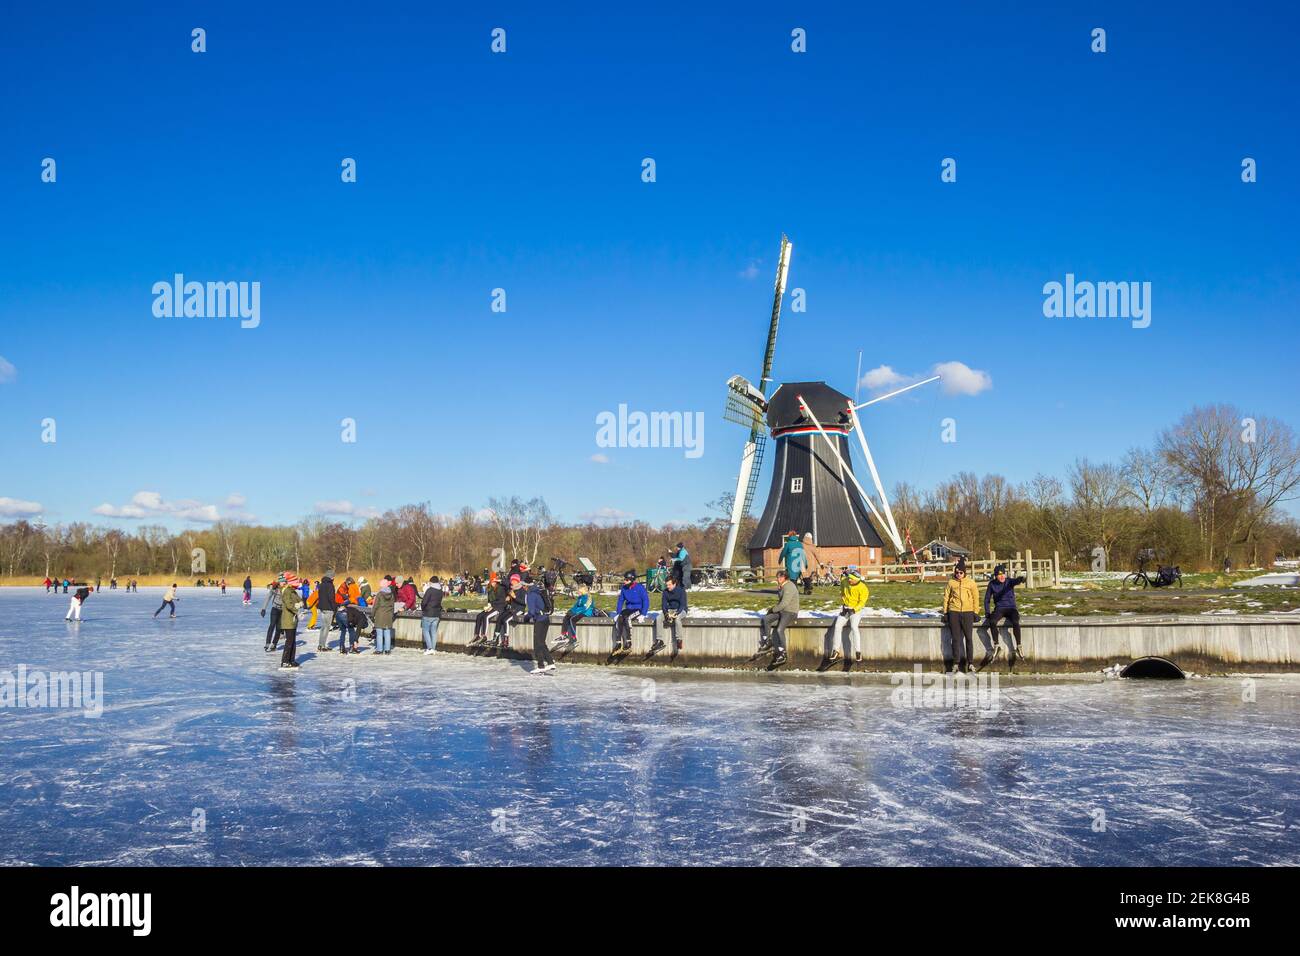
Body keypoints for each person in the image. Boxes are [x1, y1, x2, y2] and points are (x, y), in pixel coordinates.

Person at [982, 564, 1026, 671]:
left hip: (1011, 608)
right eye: (999, 575)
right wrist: (987, 612)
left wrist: (1021, 579)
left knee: (1016, 621)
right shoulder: (992, 584)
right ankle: (997, 646)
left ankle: (1019, 646)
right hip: (1000, 609)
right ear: (996, 576)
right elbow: (987, 599)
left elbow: (1016, 581)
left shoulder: (1009, 581)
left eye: (1003, 575)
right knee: (992, 621)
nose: (1002, 577)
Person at [942, 559, 979, 673]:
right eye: (956, 573)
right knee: (956, 639)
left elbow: (975, 597)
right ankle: (956, 664)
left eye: (961, 573)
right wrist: (946, 612)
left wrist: (975, 612)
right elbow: (946, 597)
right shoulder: (951, 582)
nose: (958, 575)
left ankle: (970, 663)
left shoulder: (971, 582)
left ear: (965, 573)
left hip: (967, 612)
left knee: (968, 638)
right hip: (954, 612)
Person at [827, 566, 869, 664]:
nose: (849, 580)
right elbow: (842, 591)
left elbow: (862, 602)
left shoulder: (863, 588)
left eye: (851, 579)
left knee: (854, 627)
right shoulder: (845, 581)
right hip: (846, 608)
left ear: (857, 580)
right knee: (837, 626)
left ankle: (858, 652)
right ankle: (836, 650)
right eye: (849, 578)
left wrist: (854, 609)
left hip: (855, 610)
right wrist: (844, 605)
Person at [758, 570, 798, 667]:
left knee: (780, 629)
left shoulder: (789, 586)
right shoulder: (782, 586)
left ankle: (783, 653)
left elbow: (784, 603)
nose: (778, 579)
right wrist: (772, 611)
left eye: (780, 577)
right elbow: (781, 602)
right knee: (766, 619)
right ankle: (768, 642)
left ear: (785, 578)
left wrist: (773, 609)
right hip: (782, 611)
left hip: (790, 612)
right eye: (777, 577)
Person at [612, 570, 649, 654]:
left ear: (632, 580)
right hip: (629, 608)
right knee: (621, 617)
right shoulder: (624, 588)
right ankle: (618, 643)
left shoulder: (640, 588)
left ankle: (628, 642)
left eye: (626, 580)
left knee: (627, 618)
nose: (624, 581)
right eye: (624, 579)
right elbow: (620, 601)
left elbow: (645, 600)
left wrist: (643, 614)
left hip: (638, 609)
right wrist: (618, 613)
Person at [651, 574, 688, 656]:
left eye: (669, 585)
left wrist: (677, 613)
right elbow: (663, 605)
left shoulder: (681, 590)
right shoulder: (665, 592)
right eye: (666, 585)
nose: (668, 586)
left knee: (678, 619)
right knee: (658, 618)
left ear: (674, 584)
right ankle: (659, 640)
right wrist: (666, 614)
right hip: (670, 610)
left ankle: (679, 640)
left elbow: (682, 604)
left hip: (681, 610)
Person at [525, 580, 556, 673]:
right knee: (541, 642)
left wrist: (526, 618)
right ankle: (547, 664)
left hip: (539, 620)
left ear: (525, 587)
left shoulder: (531, 594)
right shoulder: (538, 592)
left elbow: (531, 611)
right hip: (545, 619)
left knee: (538, 643)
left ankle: (544, 665)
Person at [491, 580, 528, 650]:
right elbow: (512, 601)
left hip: (519, 609)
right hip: (512, 609)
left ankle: (506, 640)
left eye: (513, 581)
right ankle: (495, 639)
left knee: (506, 620)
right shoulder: (512, 589)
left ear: (517, 582)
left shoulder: (522, 590)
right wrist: (509, 599)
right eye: (511, 581)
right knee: (499, 618)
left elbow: (524, 603)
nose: (511, 582)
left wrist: (514, 597)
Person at [472, 575, 507, 646]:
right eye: (492, 582)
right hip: (491, 607)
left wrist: (491, 604)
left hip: (498, 608)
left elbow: (502, 601)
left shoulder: (500, 589)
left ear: (496, 582)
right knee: (479, 616)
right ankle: (476, 635)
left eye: (494, 582)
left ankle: (484, 635)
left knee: (486, 617)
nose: (493, 583)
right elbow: (489, 600)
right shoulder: (490, 590)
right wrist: (487, 605)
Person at [558, 584, 595, 649]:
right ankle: (564, 634)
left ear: (582, 591)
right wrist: (570, 611)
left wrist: (575, 612)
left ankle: (573, 638)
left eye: (579, 591)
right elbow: (576, 606)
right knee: (566, 617)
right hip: (579, 611)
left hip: (586, 612)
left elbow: (585, 608)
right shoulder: (580, 598)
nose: (578, 592)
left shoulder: (588, 597)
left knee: (572, 619)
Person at [279, 577, 303, 668]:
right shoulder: (287, 591)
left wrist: (300, 603)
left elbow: (299, 600)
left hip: (293, 620)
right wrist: (296, 609)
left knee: (293, 641)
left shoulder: (293, 591)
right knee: (289, 641)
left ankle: (291, 660)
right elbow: (289, 605)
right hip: (288, 619)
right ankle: (285, 661)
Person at [314, 570, 337, 652]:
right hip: (329, 608)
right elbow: (331, 598)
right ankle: (322, 645)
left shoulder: (321, 585)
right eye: (333, 576)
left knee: (323, 627)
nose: (334, 578)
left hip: (322, 608)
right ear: (331, 577)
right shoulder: (330, 585)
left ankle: (320, 644)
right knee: (326, 627)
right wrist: (335, 607)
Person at [420, 576, 444, 655]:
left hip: (428, 613)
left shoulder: (429, 590)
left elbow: (424, 602)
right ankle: (433, 649)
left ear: (432, 582)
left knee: (426, 631)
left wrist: (423, 608)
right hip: (437, 614)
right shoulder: (440, 591)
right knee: (433, 632)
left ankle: (429, 648)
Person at [372, 584, 396, 655]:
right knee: (387, 633)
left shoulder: (379, 594)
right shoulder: (391, 595)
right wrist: (392, 615)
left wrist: (372, 614)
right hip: (388, 616)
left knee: (379, 633)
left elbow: (375, 606)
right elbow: (392, 606)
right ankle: (387, 650)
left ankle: (379, 650)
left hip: (380, 615)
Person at [261, 581, 283, 651]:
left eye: (285, 582)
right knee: (272, 625)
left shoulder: (286, 589)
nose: (284, 583)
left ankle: (274, 644)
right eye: (282, 582)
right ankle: (267, 643)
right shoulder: (275, 588)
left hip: (282, 610)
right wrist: (263, 608)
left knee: (279, 628)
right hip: (275, 609)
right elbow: (268, 597)